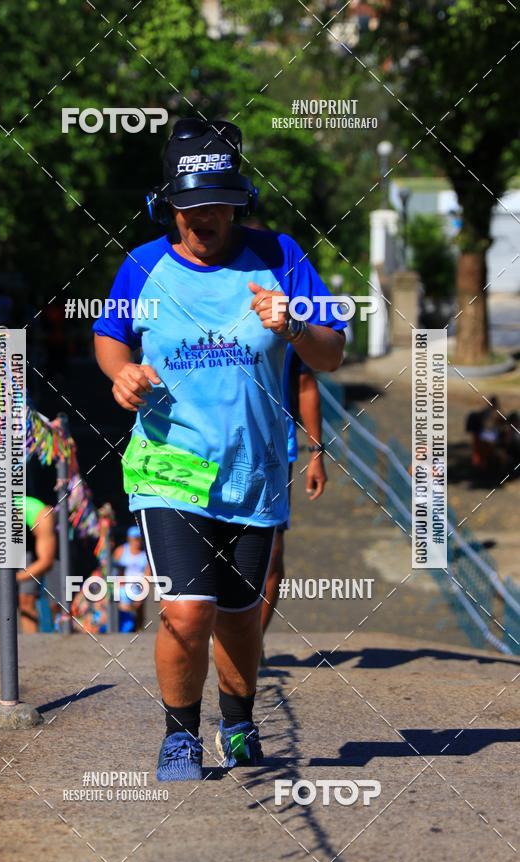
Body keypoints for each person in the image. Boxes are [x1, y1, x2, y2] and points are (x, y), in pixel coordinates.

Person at [93, 118, 346, 782]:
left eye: (220, 205)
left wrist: (291, 322)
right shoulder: (143, 265)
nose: (205, 218)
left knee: (239, 614)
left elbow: (332, 351)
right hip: (168, 461)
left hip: (255, 469)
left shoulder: (281, 255)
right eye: (191, 206)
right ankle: (180, 737)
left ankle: (237, 722)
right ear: (168, 206)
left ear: (240, 202)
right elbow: (110, 334)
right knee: (187, 607)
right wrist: (121, 372)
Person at [262, 346, 327, 647]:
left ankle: (252, 642)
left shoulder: (283, 315)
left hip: (274, 452)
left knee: (271, 555)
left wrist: (316, 452)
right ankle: (223, 631)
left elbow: (305, 384)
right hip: (204, 450)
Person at [15, 496, 57, 633]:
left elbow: (46, 561)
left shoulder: (43, 517)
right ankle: (30, 643)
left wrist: (16, 578)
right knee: (25, 600)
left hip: (53, 553)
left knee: (57, 605)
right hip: (26, 546)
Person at [112, 524, 151, 633]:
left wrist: (143, 593)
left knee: (139, 608)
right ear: (129, 538)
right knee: (123, 604)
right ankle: (123, 627)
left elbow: (147, 576)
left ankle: (138, 629)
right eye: (135, 539)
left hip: (138, 587)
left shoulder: (145, 555)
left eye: (139, 538)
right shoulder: (120, 551)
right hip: (122, 586)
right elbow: (113, 570)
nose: (137, 541)